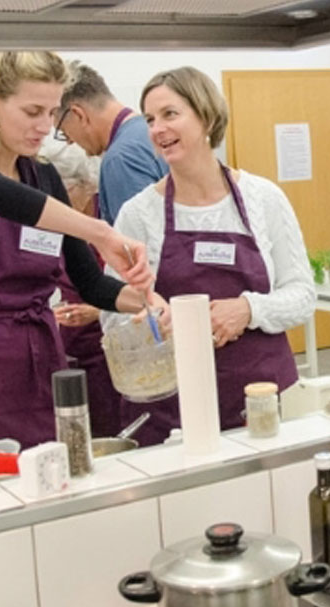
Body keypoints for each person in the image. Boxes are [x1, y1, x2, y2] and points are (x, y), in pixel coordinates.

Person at [0, 52, 154, 449]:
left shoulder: (43, 176)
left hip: (40, 364)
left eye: (51, 112)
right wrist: (99, 231)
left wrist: (147, 302)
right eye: (32, 112)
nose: (44, 127)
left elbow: (90, 282)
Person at [103, 66, 315, 446]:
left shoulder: (263, 199)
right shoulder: (138, 214)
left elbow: (302, 295)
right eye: (150, 119)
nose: (157, 129)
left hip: (258, 402)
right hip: (173, 409)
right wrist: (150, 322)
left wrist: (248, 310)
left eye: (170, 114)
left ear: (207, 117)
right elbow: (111, 314)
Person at [42, 140, 125, 438]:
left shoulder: (111, 219)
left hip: (110, 349)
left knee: (111, 431)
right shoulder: (60, 227)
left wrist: (96, 311)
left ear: (82, 186)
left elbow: (137, 288)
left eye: (58, 194)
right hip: (72, 348)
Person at [53, 61, 169, 224]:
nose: (70, 142)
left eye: (65, 133)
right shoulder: (148, 132)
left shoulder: (120, 159)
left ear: (79, 115)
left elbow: (138, 241)